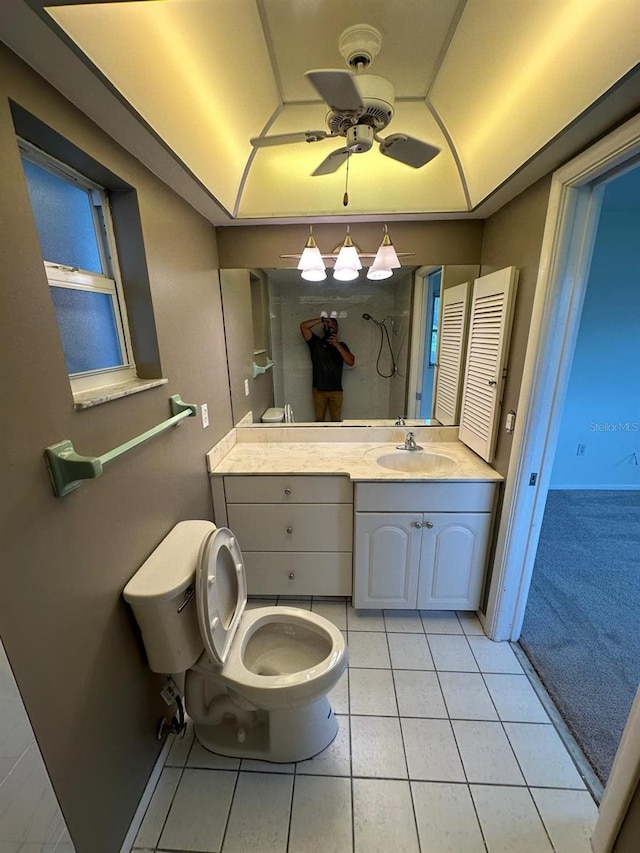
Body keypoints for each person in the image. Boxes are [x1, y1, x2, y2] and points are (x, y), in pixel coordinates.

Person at [300, 314, 355, 422]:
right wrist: (322, 319)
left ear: (337, 329)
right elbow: (303, 326)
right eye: (328, 325)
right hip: (318, 389)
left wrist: (337, 345)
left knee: (336, 421)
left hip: (336, 390)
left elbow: (350, 361)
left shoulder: (342, 345)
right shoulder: (315, 343)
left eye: (333, 325)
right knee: (319, 421)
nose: (330, 327)